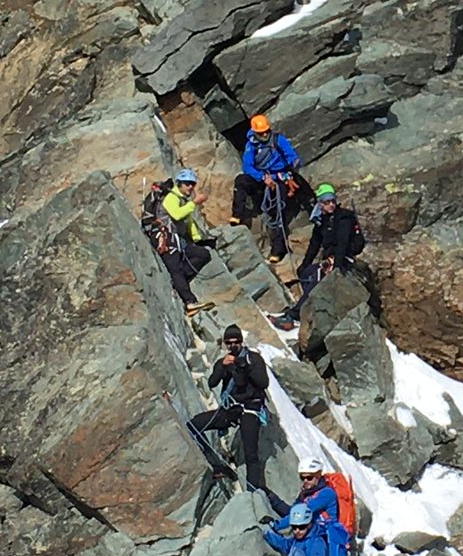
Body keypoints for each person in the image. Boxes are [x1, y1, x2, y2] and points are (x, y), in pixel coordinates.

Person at [188, 324, 269, 490]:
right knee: (194, 425)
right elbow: (212, 382)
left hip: (250, 410)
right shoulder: (225, 362)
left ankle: (254, 492)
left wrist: (245, 366)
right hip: (231, 409)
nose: (233, 346)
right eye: (229, 343)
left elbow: (263, 382)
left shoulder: (253, 359)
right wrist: (223, 367)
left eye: (236, 342)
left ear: (241, 342)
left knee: (250, 454)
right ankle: (217, 464)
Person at [275, 185, 365, 324]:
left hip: (344, 259)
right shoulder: (321, 220)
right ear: (320, 203)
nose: (331, 205)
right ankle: (310, 308)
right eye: (326, 202)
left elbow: (342, 243)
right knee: (306, 274)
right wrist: (304, 265)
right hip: (331, 259)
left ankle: (296, 314)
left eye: (333, 201)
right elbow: (314, 245)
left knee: (317, 275)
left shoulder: (344, 219)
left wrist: (336, 267)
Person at [231, 114, 305, 260]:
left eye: (266, 131)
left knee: (279, 207)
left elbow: (291, 155)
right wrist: (263, 178)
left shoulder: (278, 140)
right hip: (261, 177)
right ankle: (237, 214)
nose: (265, 134)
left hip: (280, 177)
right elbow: (248, 166)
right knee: (241, 181)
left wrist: (293, 166)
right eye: (261, 133)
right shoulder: (251, 145)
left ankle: (278, 249)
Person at [143, 170, 213, 308]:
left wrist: (197, 239)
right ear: (179, 184)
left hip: (177, 240)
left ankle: (180, 282)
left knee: (203, 254)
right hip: (164, 238)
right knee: (175, 269)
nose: (190, 187)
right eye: (187, 184)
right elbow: (177, 215)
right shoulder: (171, 197)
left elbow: (189, 221)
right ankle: (189, 301)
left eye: (192, 184)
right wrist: (194, 203)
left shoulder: (182, 200)